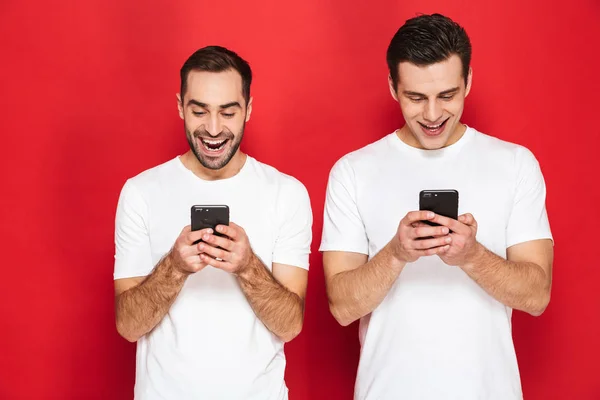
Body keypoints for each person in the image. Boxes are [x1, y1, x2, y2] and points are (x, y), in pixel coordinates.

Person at [320, 13, 553, 400]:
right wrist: (396, 254)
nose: (431, 115)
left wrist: (473, 256)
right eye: (415, 97)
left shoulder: (515, 164)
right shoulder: (353, 172)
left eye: (447, 95)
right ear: (393, 87)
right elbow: (342, 306)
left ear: (469, 82)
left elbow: (538, 295)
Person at [113, 45, 312, 400]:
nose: (214, 128)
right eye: (199, 110)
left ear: (248, 110)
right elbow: (128, 326)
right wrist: (174, 267)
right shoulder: (140, 192)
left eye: (228, 111)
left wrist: (247, 266)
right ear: (180, 107)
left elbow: (290, 325)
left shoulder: (287, 193)